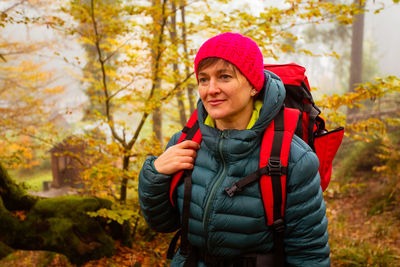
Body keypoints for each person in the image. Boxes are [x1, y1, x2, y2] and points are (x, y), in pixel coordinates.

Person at [139, 32, 330, 267]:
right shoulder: (185, 142)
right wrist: (155, 174)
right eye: (203, 79)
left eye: (224, 77)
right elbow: (161, 224)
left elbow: (309, 255)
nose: (211, 89)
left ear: (253, 85)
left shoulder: (293, 158)